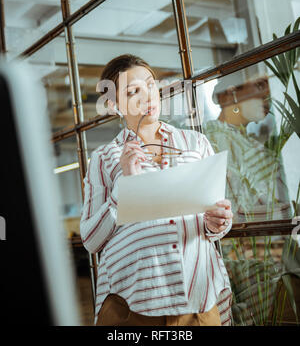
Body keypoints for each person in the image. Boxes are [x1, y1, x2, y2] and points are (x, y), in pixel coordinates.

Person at [80, 54, 234, 327]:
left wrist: (217, 223)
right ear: (115, 105)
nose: (147, 96)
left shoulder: (195, 143)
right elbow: (91, 240)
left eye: (150, 85)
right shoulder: (105, 158)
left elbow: (213, 222)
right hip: (134, 304)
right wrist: (123, 187)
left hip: (197, 298)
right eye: (133, 91)